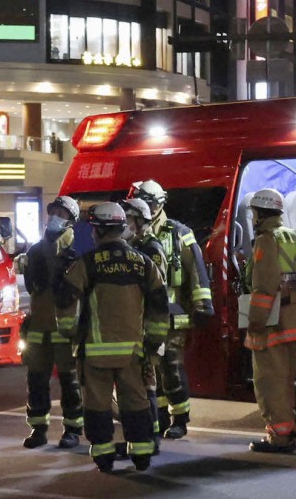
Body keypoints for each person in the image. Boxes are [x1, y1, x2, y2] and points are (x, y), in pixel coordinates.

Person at [56, 202, 168, 473]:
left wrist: (70, 332)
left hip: (95, 355)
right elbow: (160, 306)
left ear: (99, 230)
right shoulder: (144, 263)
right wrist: (151, 344)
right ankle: (141, 454)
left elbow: (66, 301)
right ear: (120, 228)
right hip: (134, 354)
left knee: (97, 406)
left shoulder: (87, 264)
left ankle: (104, 456)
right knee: (136, 403)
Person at [127, 179, 214, 440]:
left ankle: (180, 418)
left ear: (159, 203)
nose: (147, 207)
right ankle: (162, 415)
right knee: (152, 368)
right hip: (144, 315)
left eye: (150, 202)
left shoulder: (178, 232)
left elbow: (196, 270)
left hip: (173, 314)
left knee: (172, 367)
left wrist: (202, 304)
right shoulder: (134, 233)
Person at [243, 188, 296, 453]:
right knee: (286, 381)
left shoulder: (266, 241)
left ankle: (279, 438)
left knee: (270, 383)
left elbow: (265, 288)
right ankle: (286, 432)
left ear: (260, 214)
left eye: (254, 213)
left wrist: (254, 324)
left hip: (271, 325)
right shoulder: (291, 236)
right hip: (293, 323)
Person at [17, 195, 84, 450]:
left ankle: (73, 430)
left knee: (70, 381)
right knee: (36, 380)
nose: (55, 217)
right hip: (38, 328)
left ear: (71, 221)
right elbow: (33, 288)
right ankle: (38, 428)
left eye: (62, 214)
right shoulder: (35, 250)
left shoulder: (77, 251)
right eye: (54, 212)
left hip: (65, 329)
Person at [122, 198, 167, 452]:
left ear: (140, 221)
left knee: (147, 383)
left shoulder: (151, 249)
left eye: (129, 219)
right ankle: (149, 437)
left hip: (147, 326)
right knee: (142, 384)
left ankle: (152, 438)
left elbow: (155, 292)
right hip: (136, 326)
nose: (125, 223)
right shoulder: (135, 245)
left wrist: (152, 337)